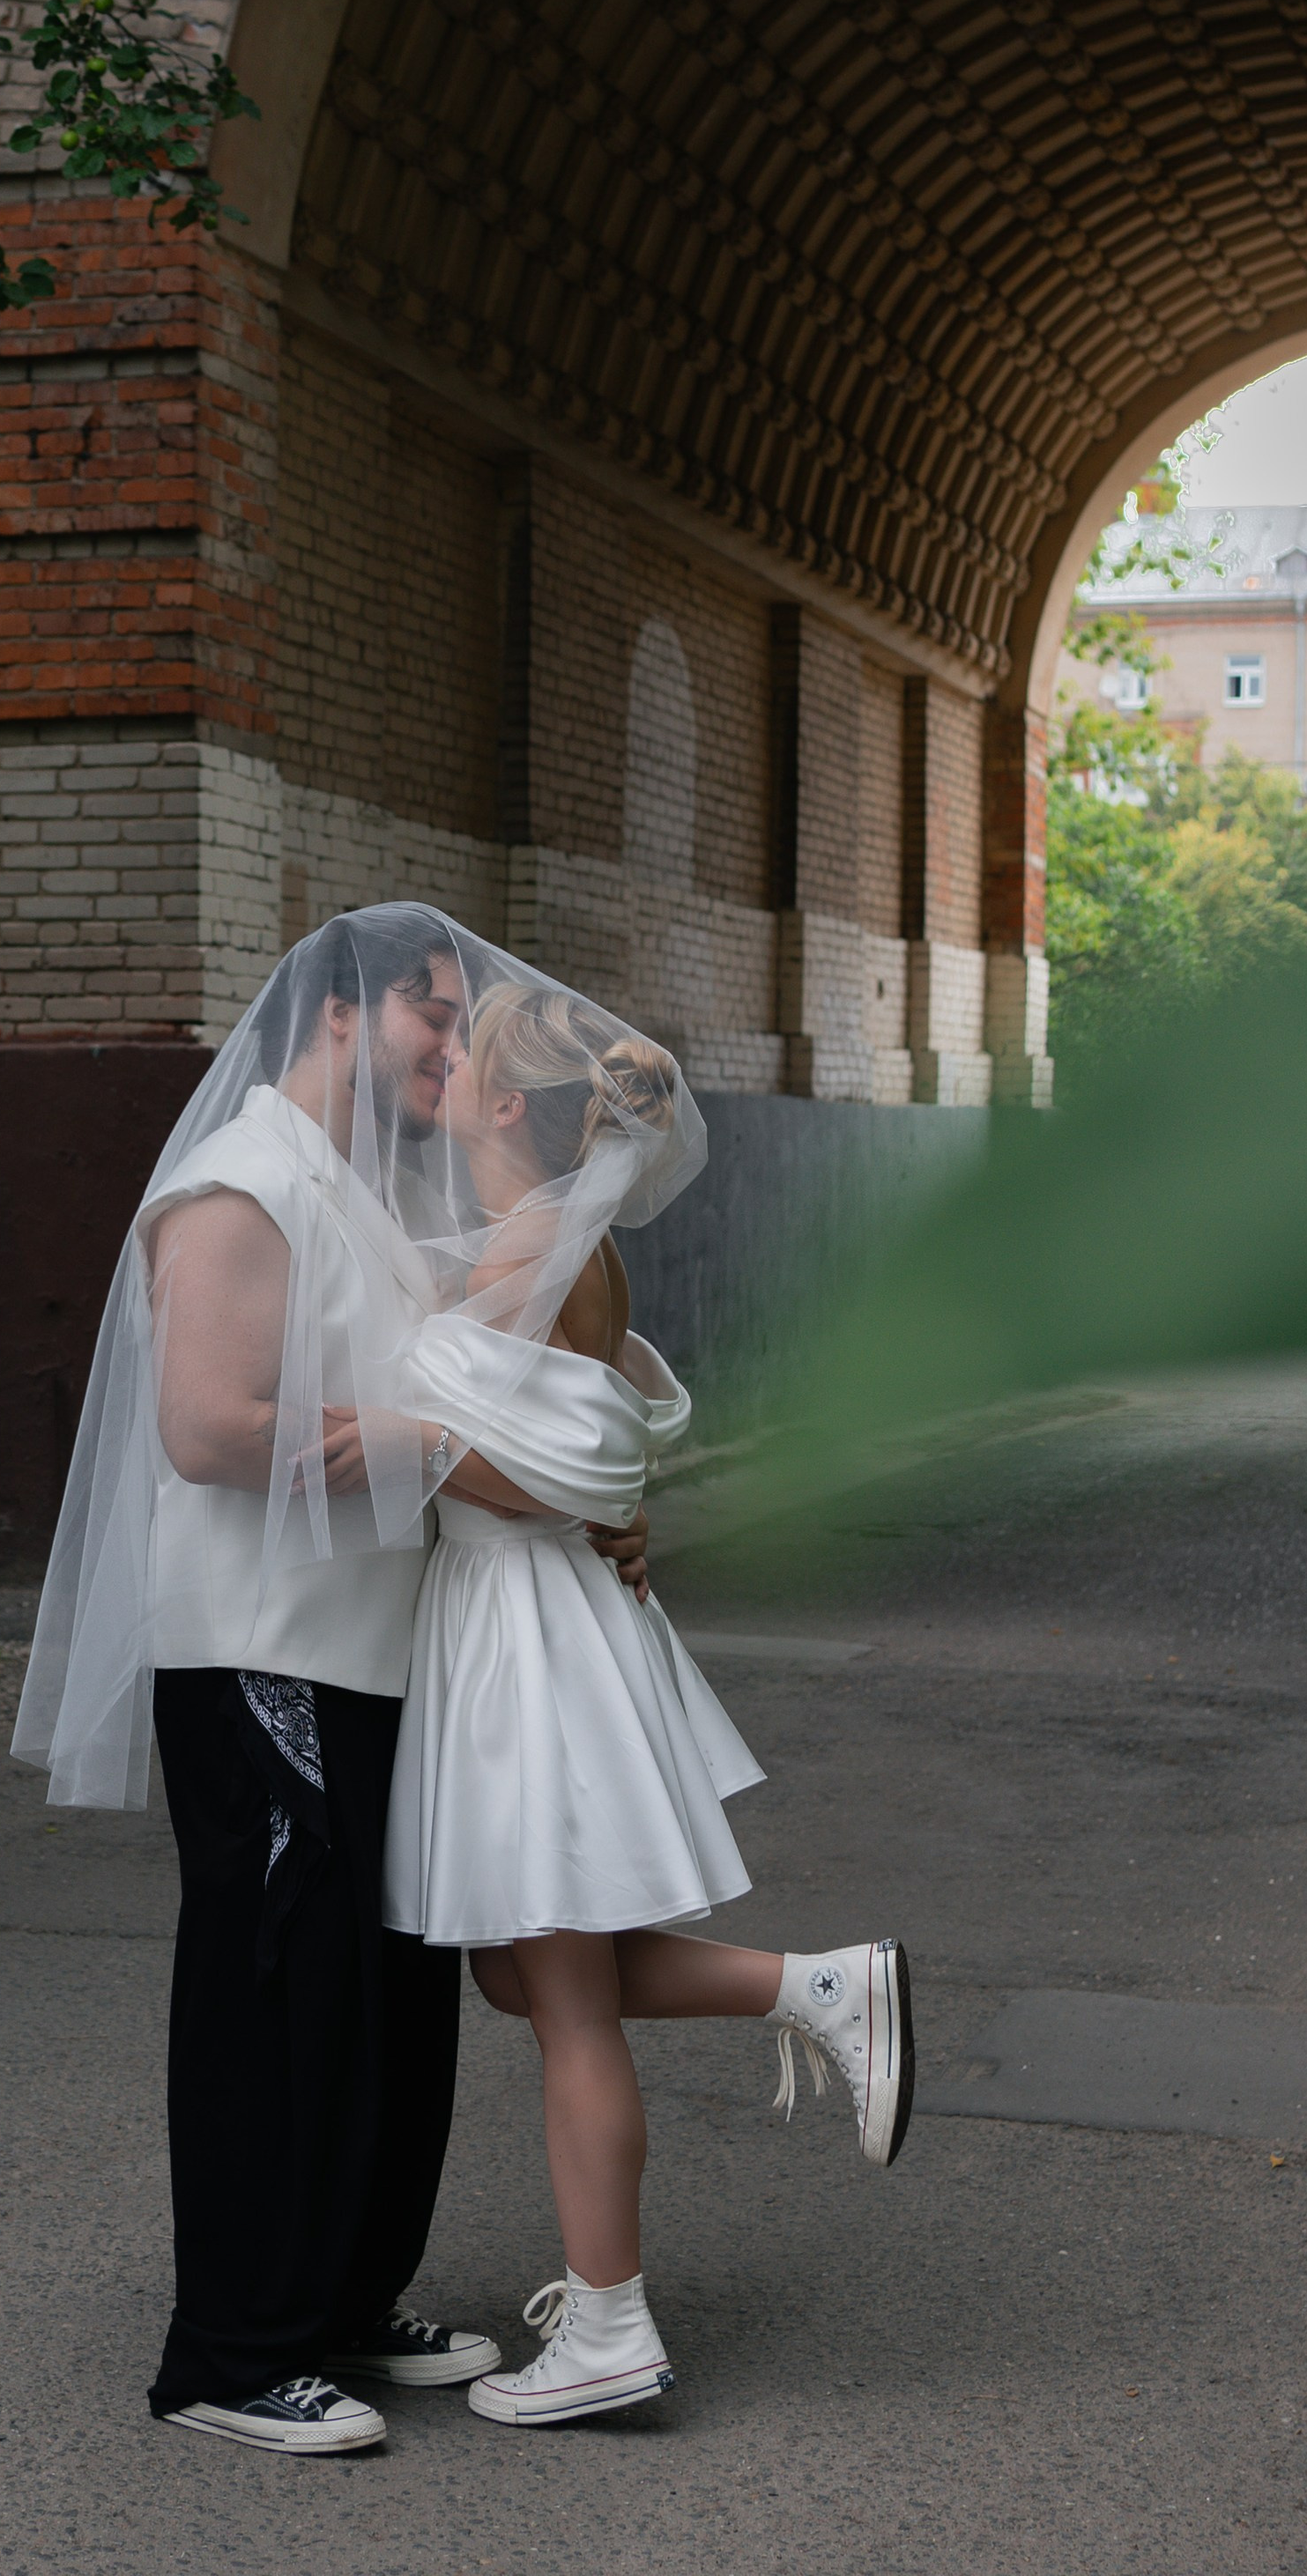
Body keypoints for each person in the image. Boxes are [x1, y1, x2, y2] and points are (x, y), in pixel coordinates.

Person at [11, 907, 655, 2458]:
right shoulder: (237, 1183)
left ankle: (347, 2299)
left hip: (378, 1654)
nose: (455, 1043)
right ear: (342, 1017)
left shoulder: (360, 1193)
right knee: (274, 1998)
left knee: (383, 2002)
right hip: (261, 1661)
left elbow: (495, 1381)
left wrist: (589, 1492)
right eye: (435, 1015)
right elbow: (207, 1431)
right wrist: (441, 1451)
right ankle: (232, 2352)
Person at [382, 978, 915, 2427]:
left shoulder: (522, 1253)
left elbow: (545, 1470)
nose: (427, 1064)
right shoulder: (571, 1246)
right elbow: (600, 1453)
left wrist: (393, 1427)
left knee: (561, 2002)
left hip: (525, 1637)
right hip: (551, 1618)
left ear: (506, 1106)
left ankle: (611, 2325)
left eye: (456, 1053)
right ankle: (810, 1986)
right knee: (519, 1972)